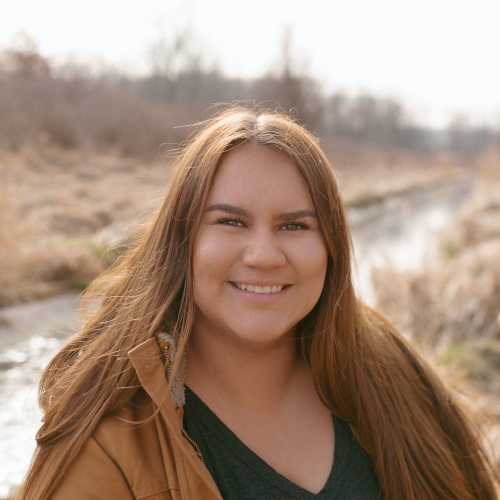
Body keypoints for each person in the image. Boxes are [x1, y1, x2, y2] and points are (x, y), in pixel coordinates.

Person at [17, 107, 497, 500]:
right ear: (181, 241)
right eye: (230, 222)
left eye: (295, 226)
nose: (265, 256)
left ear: (331, 247)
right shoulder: (111, 440)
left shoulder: (390, 374)